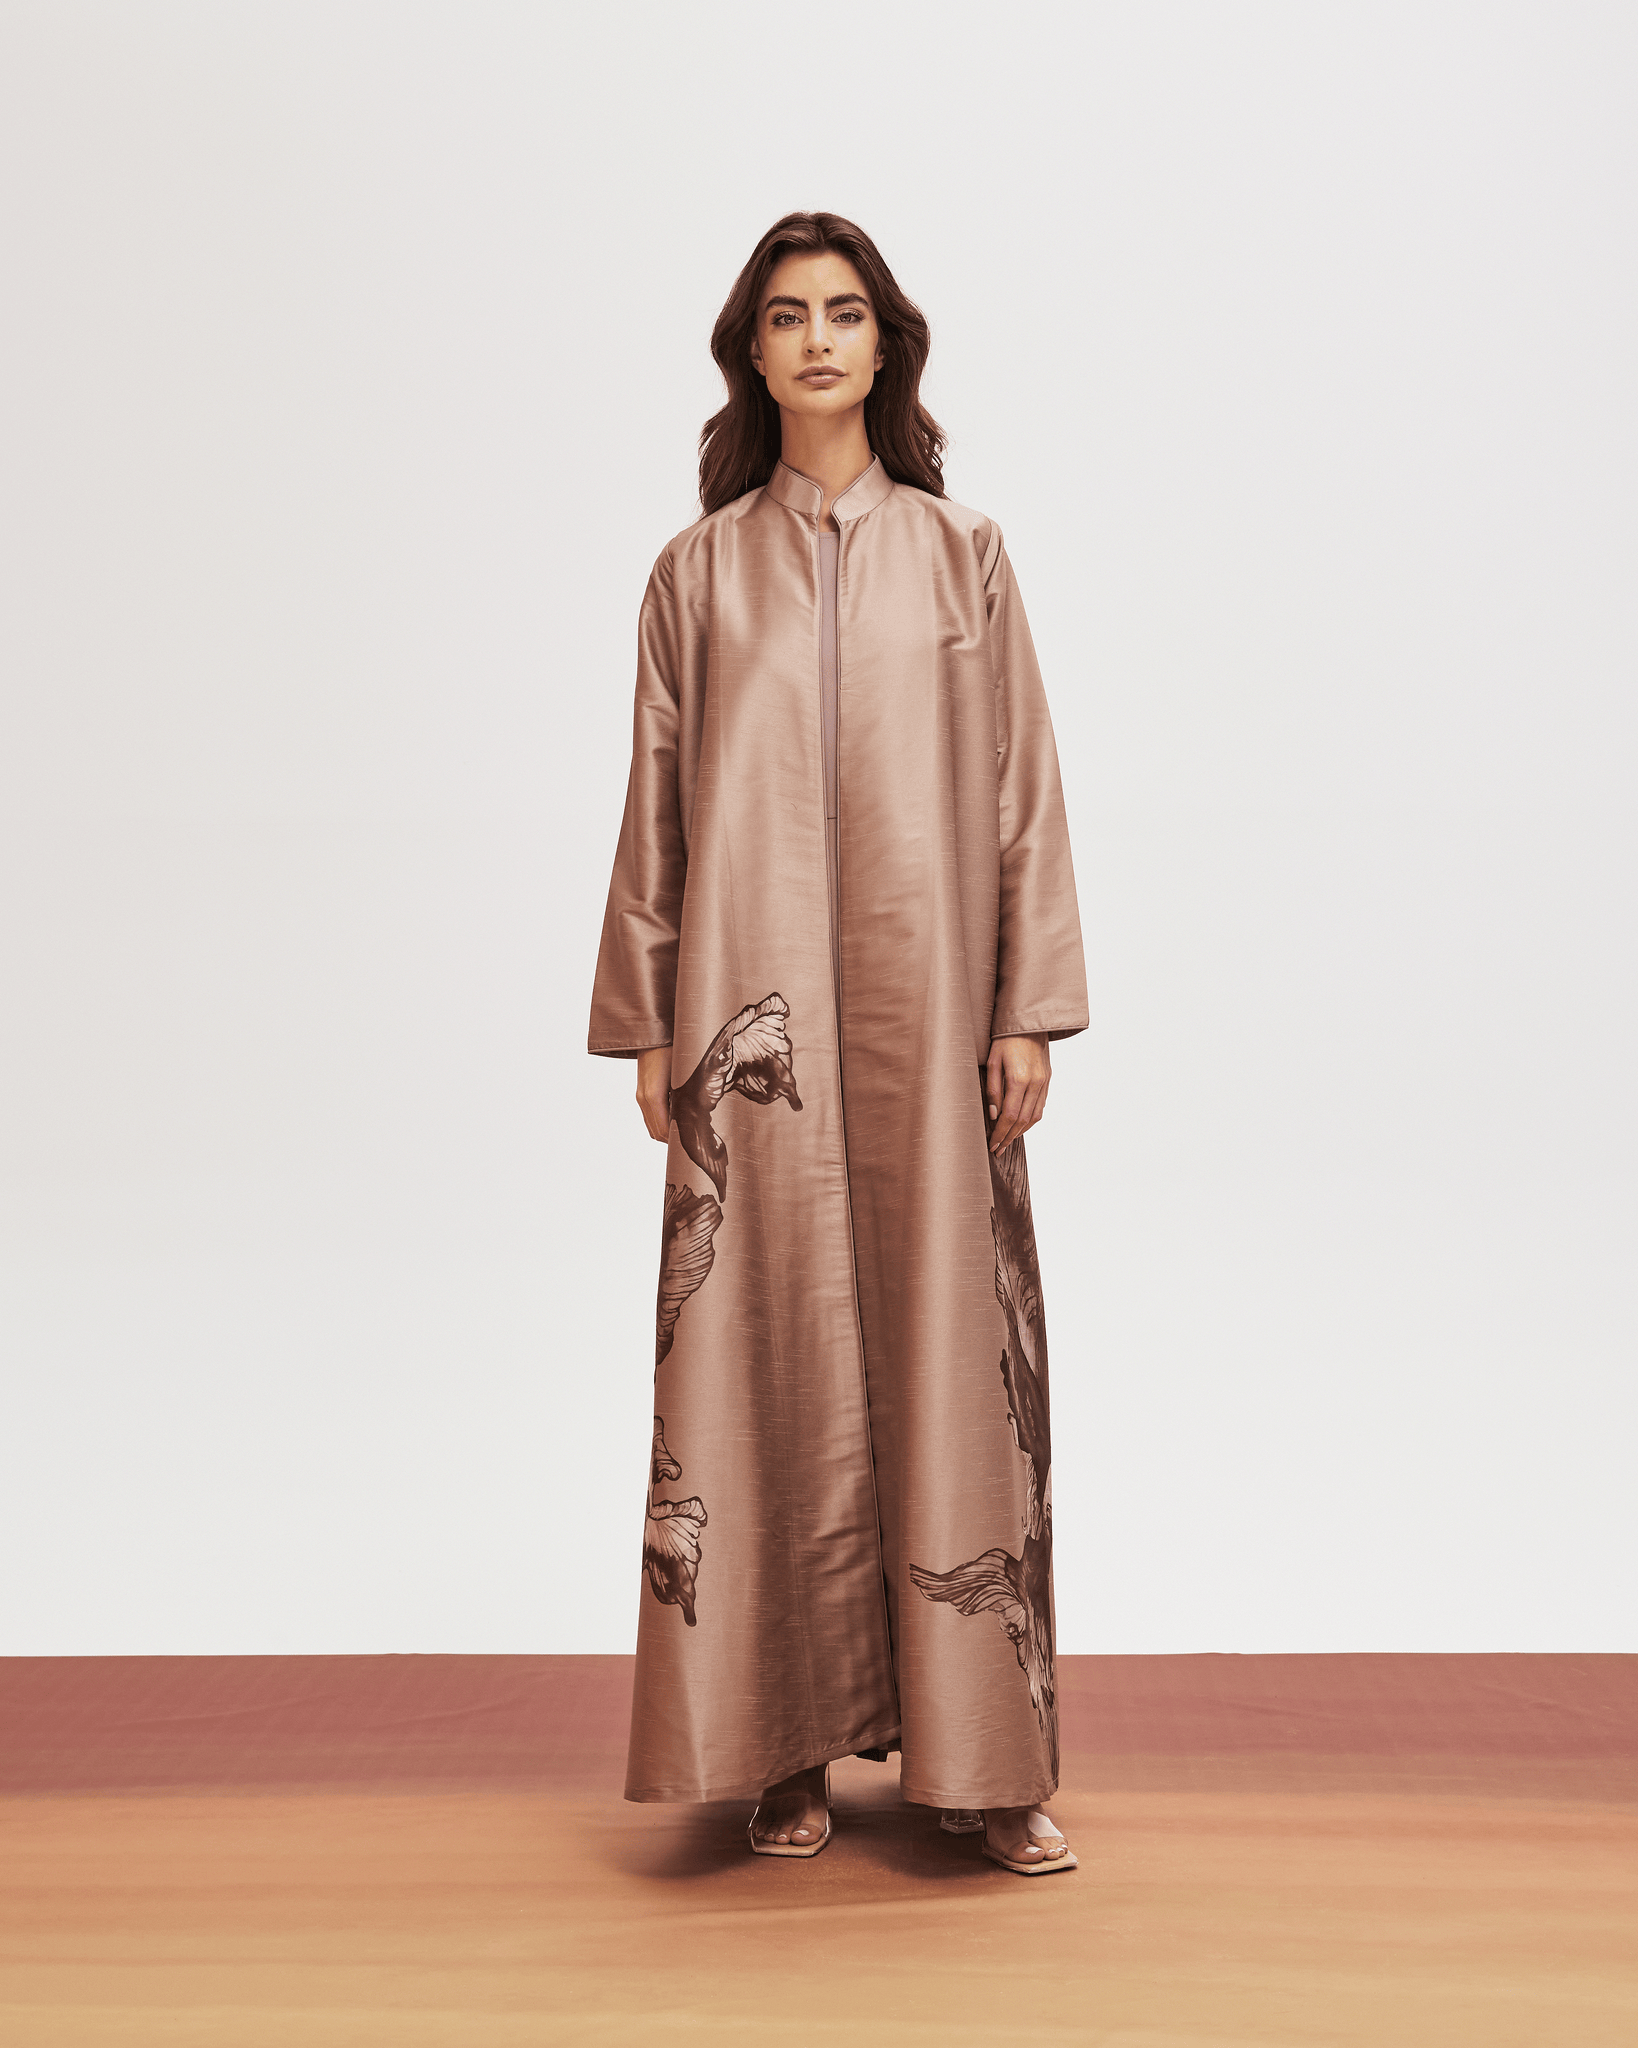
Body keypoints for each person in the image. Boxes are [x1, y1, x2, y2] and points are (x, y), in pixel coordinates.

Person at [588, 213, 1087, 1876]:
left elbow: (1020, 792)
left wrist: (1023, 1005)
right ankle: (776, 1743)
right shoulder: (695, 572)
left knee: (955, 1353)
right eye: (788, 315)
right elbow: (656, 809)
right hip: (746, 1023)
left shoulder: (965, 557)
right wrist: (648, 1023)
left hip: (931, 1012)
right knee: (761, 1347)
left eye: (845, 313)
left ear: (886, 345)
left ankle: (984, 1762)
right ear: (752, 349)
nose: (816, 339)